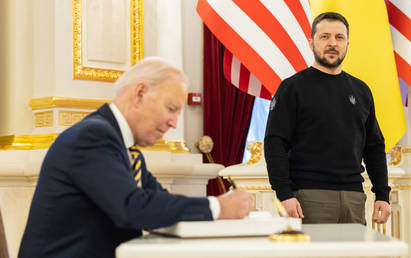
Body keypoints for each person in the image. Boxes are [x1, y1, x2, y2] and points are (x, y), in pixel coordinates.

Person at [19, 57, 253, 258]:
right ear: (140, 93)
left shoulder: (127, 151)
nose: (174, 123)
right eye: (171, 108)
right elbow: (133, 208)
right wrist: (217, 206)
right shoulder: (92, 136)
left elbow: (158, 203)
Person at [264, 12, 391, 225]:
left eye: (339, 37)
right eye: (324, 37)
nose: (332, 43)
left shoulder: (361, 90)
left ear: (347, 43)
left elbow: (374, 147)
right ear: (311, 42)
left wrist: (382, 195)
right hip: (308, 197)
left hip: (354, 198)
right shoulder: (292, 88)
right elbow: (274, 143)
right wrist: (284, 194)